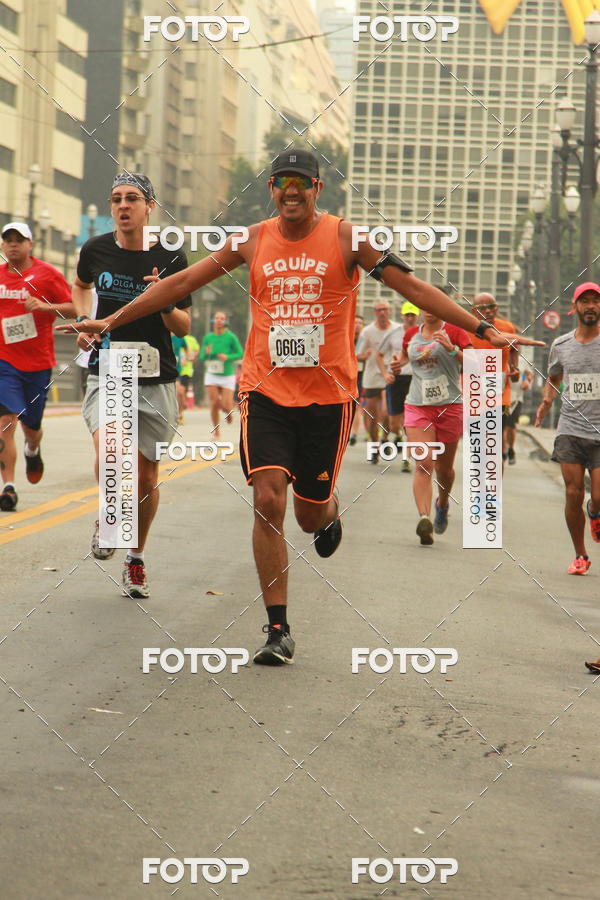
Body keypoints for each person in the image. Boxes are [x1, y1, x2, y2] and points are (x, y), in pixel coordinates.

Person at [63, 148, 541, 664]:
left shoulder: (349, 238)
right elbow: (180, 284)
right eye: (282, 182)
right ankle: (277, 628)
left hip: (327, 398)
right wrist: (109, 321)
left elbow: (412, 285)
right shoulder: (250, 239)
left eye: (301, 183)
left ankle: (328, 512)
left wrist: (482, 328)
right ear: (272, 189)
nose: (291, 191)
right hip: (264, 392)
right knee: (268, 500)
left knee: (308, 516)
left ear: (317, 189)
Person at [67, 172, 192, 598]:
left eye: (132, 199)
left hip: (156, 375)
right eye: (117, 198)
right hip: (109, 369)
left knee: (145, 478)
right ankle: (109, 517)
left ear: (149, 207)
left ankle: (135, 558)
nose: (123, 205)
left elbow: (183, 325)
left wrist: (164, 302)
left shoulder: (170, 254)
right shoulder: (95, 249)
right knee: (110, 452)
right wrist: (84, 321)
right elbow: (80, 285)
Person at [0, 222, 74, 511]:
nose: (13, 244)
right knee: (6, 422)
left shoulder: (47, 275)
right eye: (8, 240)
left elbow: (74, 307)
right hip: (4, 362)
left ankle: (33, 448)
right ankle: (8, 487)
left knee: (32, 427)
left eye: (19, 240)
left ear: (30, 244)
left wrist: (45, 307)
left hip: (37, 363)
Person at [535, 282, 600, 577]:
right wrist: (546, 401)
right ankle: (580, 554)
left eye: (595, 301)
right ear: (574, 307)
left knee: (597, 496)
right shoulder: (561, 345)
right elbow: (554, 377)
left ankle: (595, 511)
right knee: (573, 492)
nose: (591, 306)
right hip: (570, 428)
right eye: (585, 301)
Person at [391, 310, 472, 543]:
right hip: (418, 405)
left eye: (431, 305)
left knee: (444, 470)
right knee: (424, 463)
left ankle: (442, 503)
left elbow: (476, 363)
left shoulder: (455, 331)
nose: (427, 310)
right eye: (423, 306)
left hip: (450, 407)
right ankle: (424, 518)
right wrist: (397, 364)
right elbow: (404, 356)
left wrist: (452, 349)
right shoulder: (411, 335)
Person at [470, 292, 518, 468]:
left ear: (497, 308)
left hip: (499, 394)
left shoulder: (507, 327)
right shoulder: (467, 329)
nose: (488, 311)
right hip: (474, 394)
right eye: (482, 308)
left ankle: (494, 481)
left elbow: (514, 349)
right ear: (474, 311)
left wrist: (514, 368)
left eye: (491, 307)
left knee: (494, 441)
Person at [375, 299, 419, 471]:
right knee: (394, 424)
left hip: (415, 379)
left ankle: (406, 460)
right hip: (396, 379)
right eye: (407, 315)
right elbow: (379, 355)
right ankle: (398, 435)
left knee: (411, 421)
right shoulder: (393, 333)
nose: (410, 318)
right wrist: (385, 374)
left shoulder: (422, 333)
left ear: (417, 316)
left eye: (413, 315)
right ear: (402, 315)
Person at [356, 300, 398, 462]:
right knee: (373, 416)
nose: (382, 313)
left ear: (389, 311)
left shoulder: (397, 329)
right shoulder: (367, 332)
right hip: (372, 377)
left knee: (386, 412)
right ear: (374, 312)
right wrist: (363, 356)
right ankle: (374, 446)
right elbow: (356, 354)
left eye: (385, 309)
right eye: (379, 310)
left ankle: (385, 438)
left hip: (390, 375)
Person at [200, 311, 243, 438]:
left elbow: (240, 353)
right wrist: (207, 353)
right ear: (213, 320)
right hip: (212, 374)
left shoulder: (231, 337)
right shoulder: (208, 337)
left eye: (222, 318)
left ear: (226, 321)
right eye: (217, 318)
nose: (219, 320)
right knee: (214, 403)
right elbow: (202, 357)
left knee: (225, 405)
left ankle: (228, 411)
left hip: (227, 375)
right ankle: (216, 431)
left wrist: (227, 357)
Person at [505, 351, 533, 464]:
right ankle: (502, 451)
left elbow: (529, 374)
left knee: (510, 426)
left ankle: (510, 449)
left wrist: (527, 380)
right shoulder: (499, 358)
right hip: (502, 397)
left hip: (516, 398)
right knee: (502, 425)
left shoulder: (522, 360)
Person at [177, 332, 200, 422]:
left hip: (186, 370)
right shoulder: (172, 337)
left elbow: (197, 350)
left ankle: (180, 413)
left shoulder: (191, 339)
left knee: (182, 392)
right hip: (174, 369)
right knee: (179, 392)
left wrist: (192, 356)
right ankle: (179, 411)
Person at [349, 313, 364, 445]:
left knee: (358, 405)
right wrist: (359, 357)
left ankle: (354, 433)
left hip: (362, 374)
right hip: (348, 374)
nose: (358, 326)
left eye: (360, 323)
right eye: (356, 323)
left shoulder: (365, 339)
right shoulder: (346, 338)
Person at [171, 332, 188, 424]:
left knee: (180, 392)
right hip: (164, 369)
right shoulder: (161, 334)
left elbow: (186, 348)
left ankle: (180, 414)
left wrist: (185, 358)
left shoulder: (179, 336)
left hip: (176, 369)